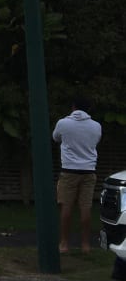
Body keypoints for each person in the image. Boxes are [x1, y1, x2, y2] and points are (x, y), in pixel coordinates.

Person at [52, 98, 102, 253]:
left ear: (73, 107)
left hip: (69, 171)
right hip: (89, 171)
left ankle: (64, 244)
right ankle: (86, 245)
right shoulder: (96, 126)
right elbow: (95, 142)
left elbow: (56, 138)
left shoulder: (63, 123)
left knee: (66, 207)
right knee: (85, 208)